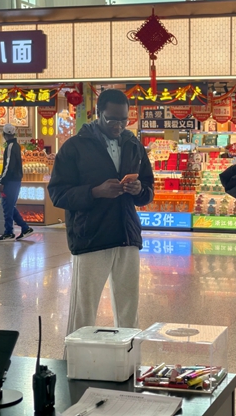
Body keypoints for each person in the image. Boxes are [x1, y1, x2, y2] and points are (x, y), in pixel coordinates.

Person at [48, 89, 154, 334]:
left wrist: (139, 189)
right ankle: (76, 357)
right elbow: (58, 193)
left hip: (127, 236)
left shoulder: (133, 145)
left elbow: (149, 189)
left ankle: (128, 356)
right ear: (97, 114)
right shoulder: (75, 147)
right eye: (112, 120)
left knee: (129, 312)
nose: (119, 126)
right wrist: (95, 192)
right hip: (91, 237)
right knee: (83, 311)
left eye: (124, 120)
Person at [0, 123, 34, 241]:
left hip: (10, 182)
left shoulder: (10, 147)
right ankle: (25, 228)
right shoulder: (16, 146)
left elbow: (8, 166)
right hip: (15, 181)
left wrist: (2, 181)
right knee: (10, 205)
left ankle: (9, 233)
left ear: (4, 134)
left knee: (7, 206)